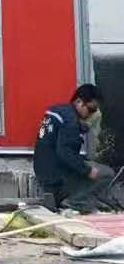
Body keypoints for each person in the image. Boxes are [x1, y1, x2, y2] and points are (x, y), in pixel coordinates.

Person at [33, 84, 115, 213]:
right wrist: (87, 170)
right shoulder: (71, 121)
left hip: (42, 169)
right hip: (56, 175)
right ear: (79, 102)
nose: (92, 114)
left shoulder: (56, 111)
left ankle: (75, 198)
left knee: (86, 166)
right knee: (107, 173)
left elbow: (54, 142)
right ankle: (74, 202)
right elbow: (65, 153)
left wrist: (83, 126)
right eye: (91, 109)